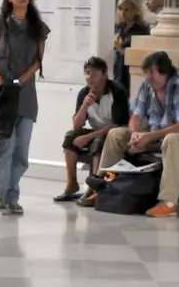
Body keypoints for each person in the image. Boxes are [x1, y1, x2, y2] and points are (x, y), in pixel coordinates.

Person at [95, 51, 179, 217]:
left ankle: (168, 202)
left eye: (151, 72)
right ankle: (104, 186)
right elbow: (136, 116)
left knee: (171, 140)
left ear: (164, 71)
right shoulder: (147, 86)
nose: (147, 77)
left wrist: (149, 137)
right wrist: (134, 134)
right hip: (156, 134)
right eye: (145, 72)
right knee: (116, 134)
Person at [0, 0, 50, 215]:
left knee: (21, 152)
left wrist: (23, 78)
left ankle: (13, 195)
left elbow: (38, 60)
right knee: (6, 147)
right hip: (3, 94)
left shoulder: (37, 26)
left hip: (26, 94)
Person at [52, 57, 129, 205]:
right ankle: (71, 185)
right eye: (87, 73)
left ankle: (94, 188)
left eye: (93, 73)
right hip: (96, 131)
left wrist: (88, 137)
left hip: (115, 134)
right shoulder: (84, 93)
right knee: (70, 136)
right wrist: (84, 106)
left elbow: (117, 125)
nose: (89, 78)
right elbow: (76, 126)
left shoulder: (117, 91)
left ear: (104, 74)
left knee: (99, 141)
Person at [113, 0, 151, 91]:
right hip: (118, 69)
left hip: (133, 72)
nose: (122, 13)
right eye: (120, 9)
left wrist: (122, 50)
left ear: (136, 11)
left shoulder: (142, 29)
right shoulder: (119, 27)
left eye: (127, 9)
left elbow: (143, 54)